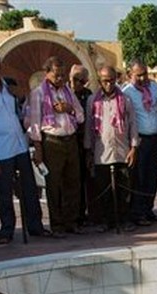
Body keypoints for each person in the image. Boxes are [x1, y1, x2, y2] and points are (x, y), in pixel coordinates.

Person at [0, 51, 43, 242]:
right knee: (4, 193)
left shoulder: (8, 88)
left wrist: (20, 97)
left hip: (19, 144)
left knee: (29, 189)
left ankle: (35, 226)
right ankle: (7, 230)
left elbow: (21, 114)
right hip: (0, 150)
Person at [26, 56, 85, 236]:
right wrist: (38, 149)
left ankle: (72, 222)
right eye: (56, 75)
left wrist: (69, 109)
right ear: (47, 73)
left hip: (70, 140)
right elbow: (34, 123)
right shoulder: (39, 93)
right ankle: (57, 225)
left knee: (73, 183)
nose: (60, 79)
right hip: (52, 142)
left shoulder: (68, 91)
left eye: (62, 75)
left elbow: (81, 116)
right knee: (54, 185)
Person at [84, 65, 138, 232]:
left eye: (112, 81)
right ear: (100, 81)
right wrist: (88, 151)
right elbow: (88, 126)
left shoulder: (125, 99)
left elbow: (133, 124)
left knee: (125, 189)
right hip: (102, 152)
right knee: (104, 189)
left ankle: (125, 220)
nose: (109, 84)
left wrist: (134, 147)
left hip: (122, 151)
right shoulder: (93, 100)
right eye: (105, 81)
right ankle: (107, 221)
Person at [122, 60, 157, 226]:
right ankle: (137, 212)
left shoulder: (154, 88)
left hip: (154, 136)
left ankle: (148, 209)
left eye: (144, 73)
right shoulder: (126, 92)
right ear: (129, 75)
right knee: (139, 177)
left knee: (152, 176)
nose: (142, 77)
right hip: (139, 139)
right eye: (138, 75)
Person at [70, 64, 93, 227]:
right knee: (73, 180)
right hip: (70, 140)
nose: (78, 84)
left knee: (88, 178)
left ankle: (88, 213)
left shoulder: (88, 95)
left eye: (82, 81)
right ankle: (74, 215)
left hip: (85, 140)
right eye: (76, 79)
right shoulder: (64, 94)